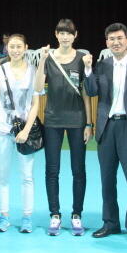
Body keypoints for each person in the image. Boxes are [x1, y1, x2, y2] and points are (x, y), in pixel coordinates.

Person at [83, 22, 127, 244]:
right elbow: (92, 91)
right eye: (111, 39)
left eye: (119, 38)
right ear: (107, 42)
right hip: (106, 128)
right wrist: (88, 70)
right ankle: (110, 223)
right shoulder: (102, 65)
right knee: (107, 179)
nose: (116, 42)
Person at [35, 19, 92, 236]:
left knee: (79, 170)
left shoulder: (82, 58)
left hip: (77, 120)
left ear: (75, 35)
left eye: (69, 33)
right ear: (56, 34)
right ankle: (55, 214)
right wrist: (41, 60)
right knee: (52, 170)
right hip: (53, 120)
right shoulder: (48, 58)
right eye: (62, 33)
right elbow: (38, 87)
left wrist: (89, 123)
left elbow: (86, 93)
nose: (65, 36)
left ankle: (77, 214)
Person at [0, 34, 40, 233]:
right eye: (12, 46)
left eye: (19, 46)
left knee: (27, 176)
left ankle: (27, 217)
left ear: (26, 48)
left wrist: (26, 130)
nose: (15, 50)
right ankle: (4, 216)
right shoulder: (0, 69)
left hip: (25, 132)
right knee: (2, 176)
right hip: (2, 130)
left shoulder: (33, 71)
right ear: (6, 48)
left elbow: (35, 104)